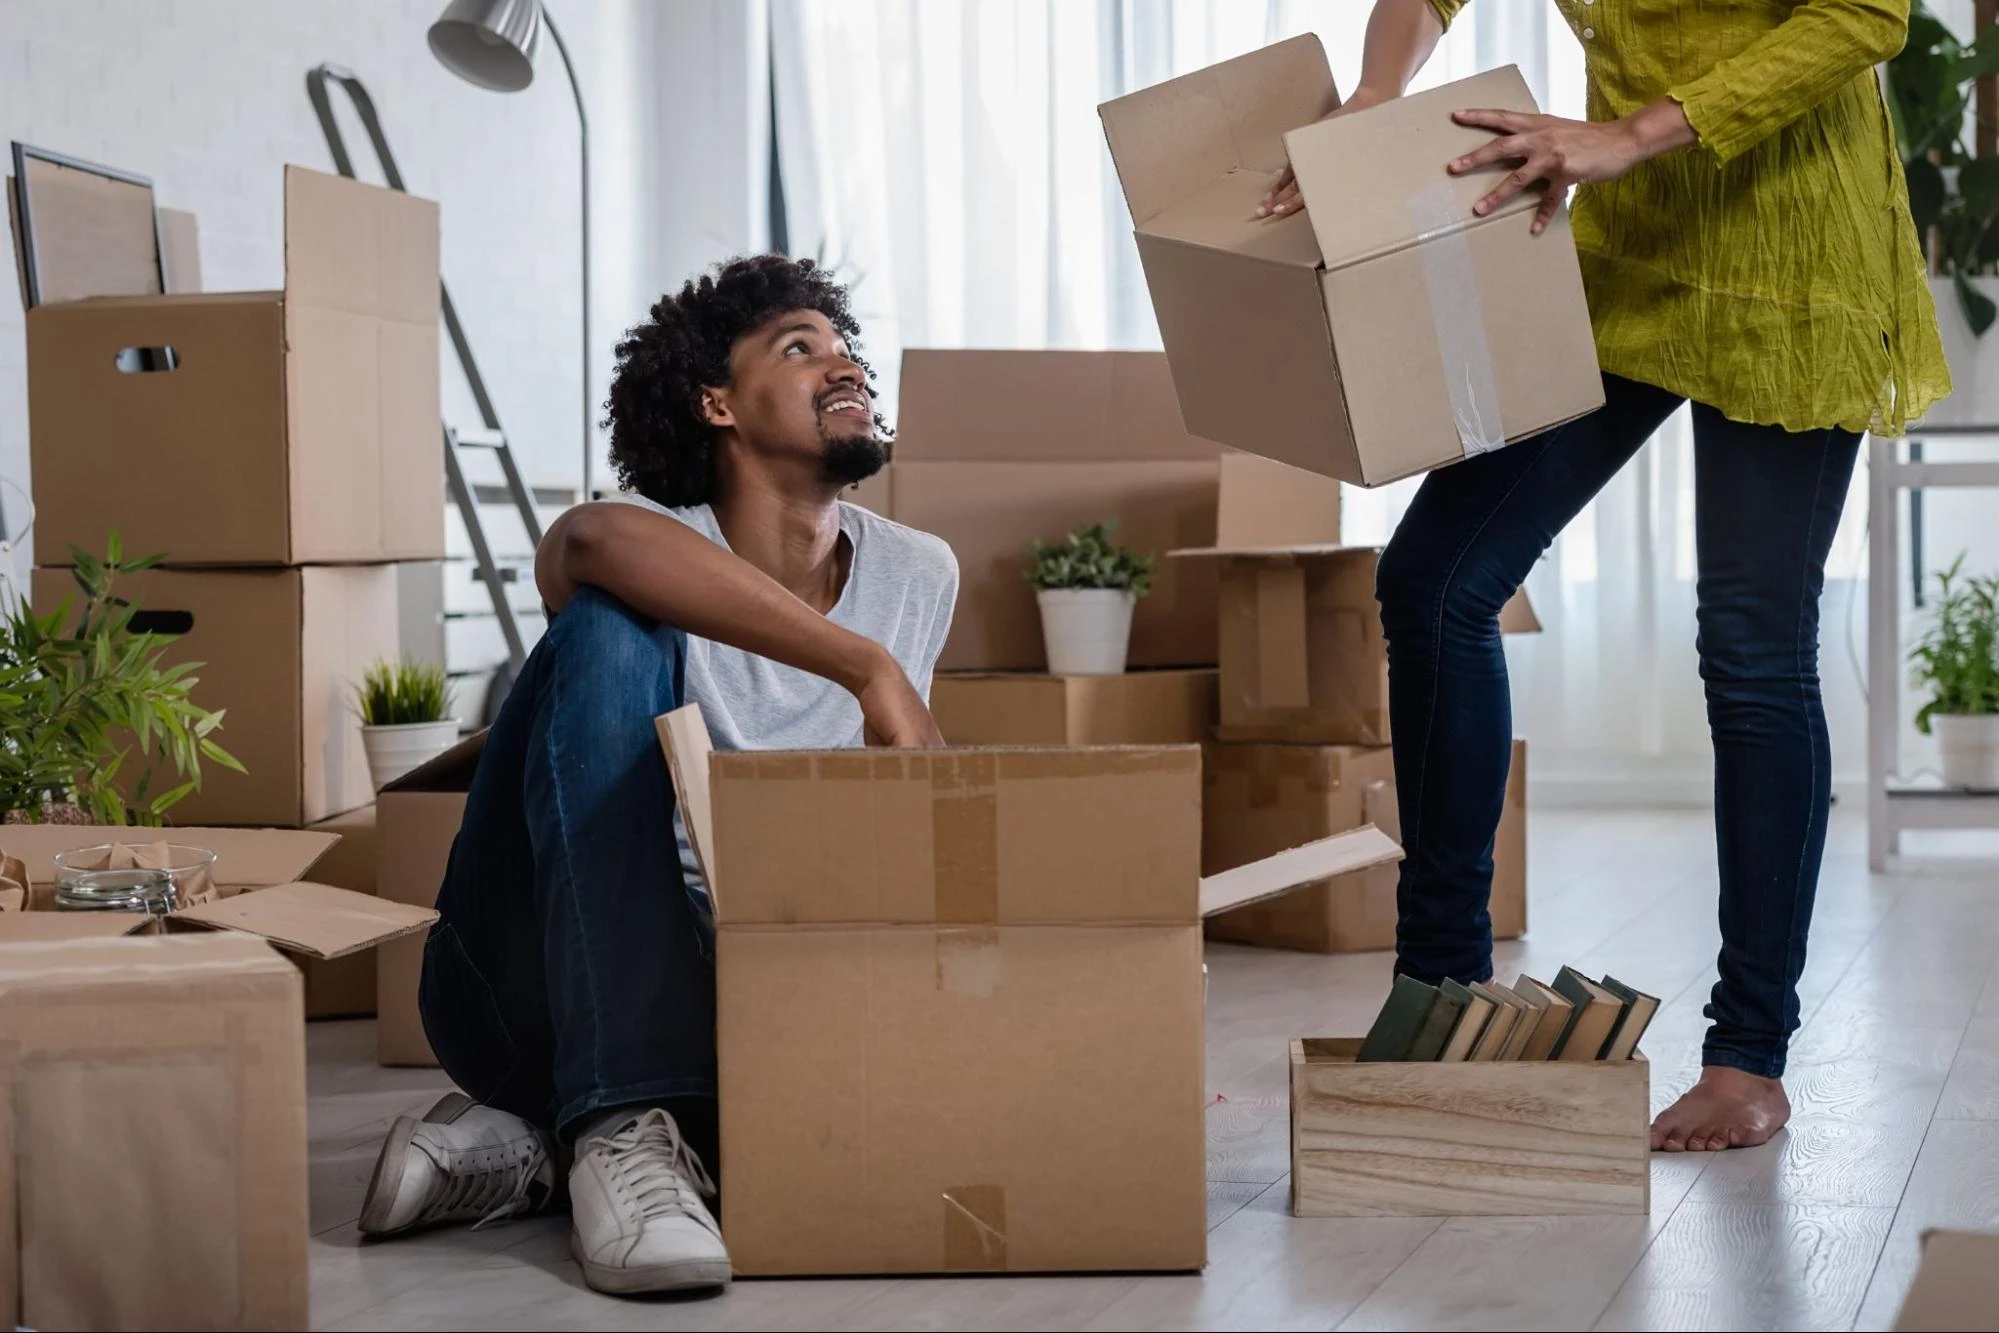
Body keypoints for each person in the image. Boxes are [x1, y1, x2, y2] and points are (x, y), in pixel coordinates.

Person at [1261, 0, 1947, 1150]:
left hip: (1790, 249)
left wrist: (1627, 134)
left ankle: (1747, 1059)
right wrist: (1378, 100)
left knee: (1748, 646)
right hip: (1628, 249)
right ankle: (1442, 996)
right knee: (1433, 580)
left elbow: (1868, 14)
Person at [352, 255, 959, 1295]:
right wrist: (865, 664)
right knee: (609, 617)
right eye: (799, 347)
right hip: (519, 981)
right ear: (715, 402)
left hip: (742, 991)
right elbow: (588, 536)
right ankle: (627, 1126)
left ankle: (539, 1146)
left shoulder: (917, 571)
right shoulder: (644, 544)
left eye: (844, 345)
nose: (841, 362)